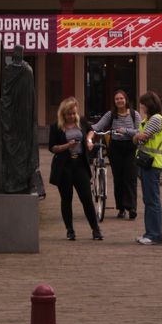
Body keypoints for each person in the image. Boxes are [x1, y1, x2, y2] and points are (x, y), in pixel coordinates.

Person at [46, 97, 102, 241]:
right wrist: (67, 146)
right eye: (69, 114)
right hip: (64, 166)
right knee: (66, 199)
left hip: (80, 165)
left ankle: (95, 229)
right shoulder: (56, 127)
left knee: (87, 198)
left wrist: (89, 141)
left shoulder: (81, 122)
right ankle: (70, 230)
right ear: (63, 114)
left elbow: (91, 131)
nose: (72, 116)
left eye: (73, 113)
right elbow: (52, 147)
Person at [92, 90, 140, 220]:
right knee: (118, 178)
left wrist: (125, 131)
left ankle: (132, 208)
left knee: (130, 177)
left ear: (126, 100)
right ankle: (121, 208)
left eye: (121, 98)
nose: (119, 101)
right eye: (117, 99)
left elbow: (138, 131)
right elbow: (98, 126)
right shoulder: (111, 114)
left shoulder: (135, 114)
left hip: (130, 147)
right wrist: (88, 129)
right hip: (116, 148)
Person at [134, 91, 162, 246]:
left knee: (152, 200)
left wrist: (135, 137)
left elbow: (142, 137)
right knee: (149, 199)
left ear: (149, 104)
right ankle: (150, 233)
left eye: (143, 103)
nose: (141, 107)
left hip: (152, 163)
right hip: (149, 163)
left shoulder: (155, 119)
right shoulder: (150, 118)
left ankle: (154, 235)